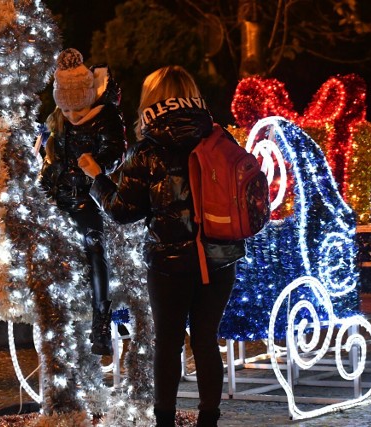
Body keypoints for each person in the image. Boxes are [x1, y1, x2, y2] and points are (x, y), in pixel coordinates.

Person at [78, 66, 244, 427]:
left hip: (170, 264)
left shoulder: (148, 149)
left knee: (168, 343)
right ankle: (209, 422)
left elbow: (122, 212)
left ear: (152, 101)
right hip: (220, 258)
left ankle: (164, 423)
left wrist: (96, 177)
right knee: (205, 339)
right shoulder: (219, 137)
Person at [37, 48, 127, 356]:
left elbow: (117, 151)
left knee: (94, 246)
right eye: (68, 110)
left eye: (79, 109)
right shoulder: (58, 118)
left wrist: (97, 166)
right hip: (56, 193)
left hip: (87, 198)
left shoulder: (107, 116)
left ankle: (100, 322)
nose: (74, 116)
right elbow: (53, 155)